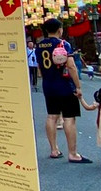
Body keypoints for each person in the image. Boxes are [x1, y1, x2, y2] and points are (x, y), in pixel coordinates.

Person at [35, 18, 89, 163]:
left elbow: (40, 67)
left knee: (52, 116)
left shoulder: (39, 46)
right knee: (69, 118)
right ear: (60, 29)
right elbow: (71, 66)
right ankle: (73, 153)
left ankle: (54, 149)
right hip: (65, 85)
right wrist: (78, 86)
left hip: (48, 85)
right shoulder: (63, 44)